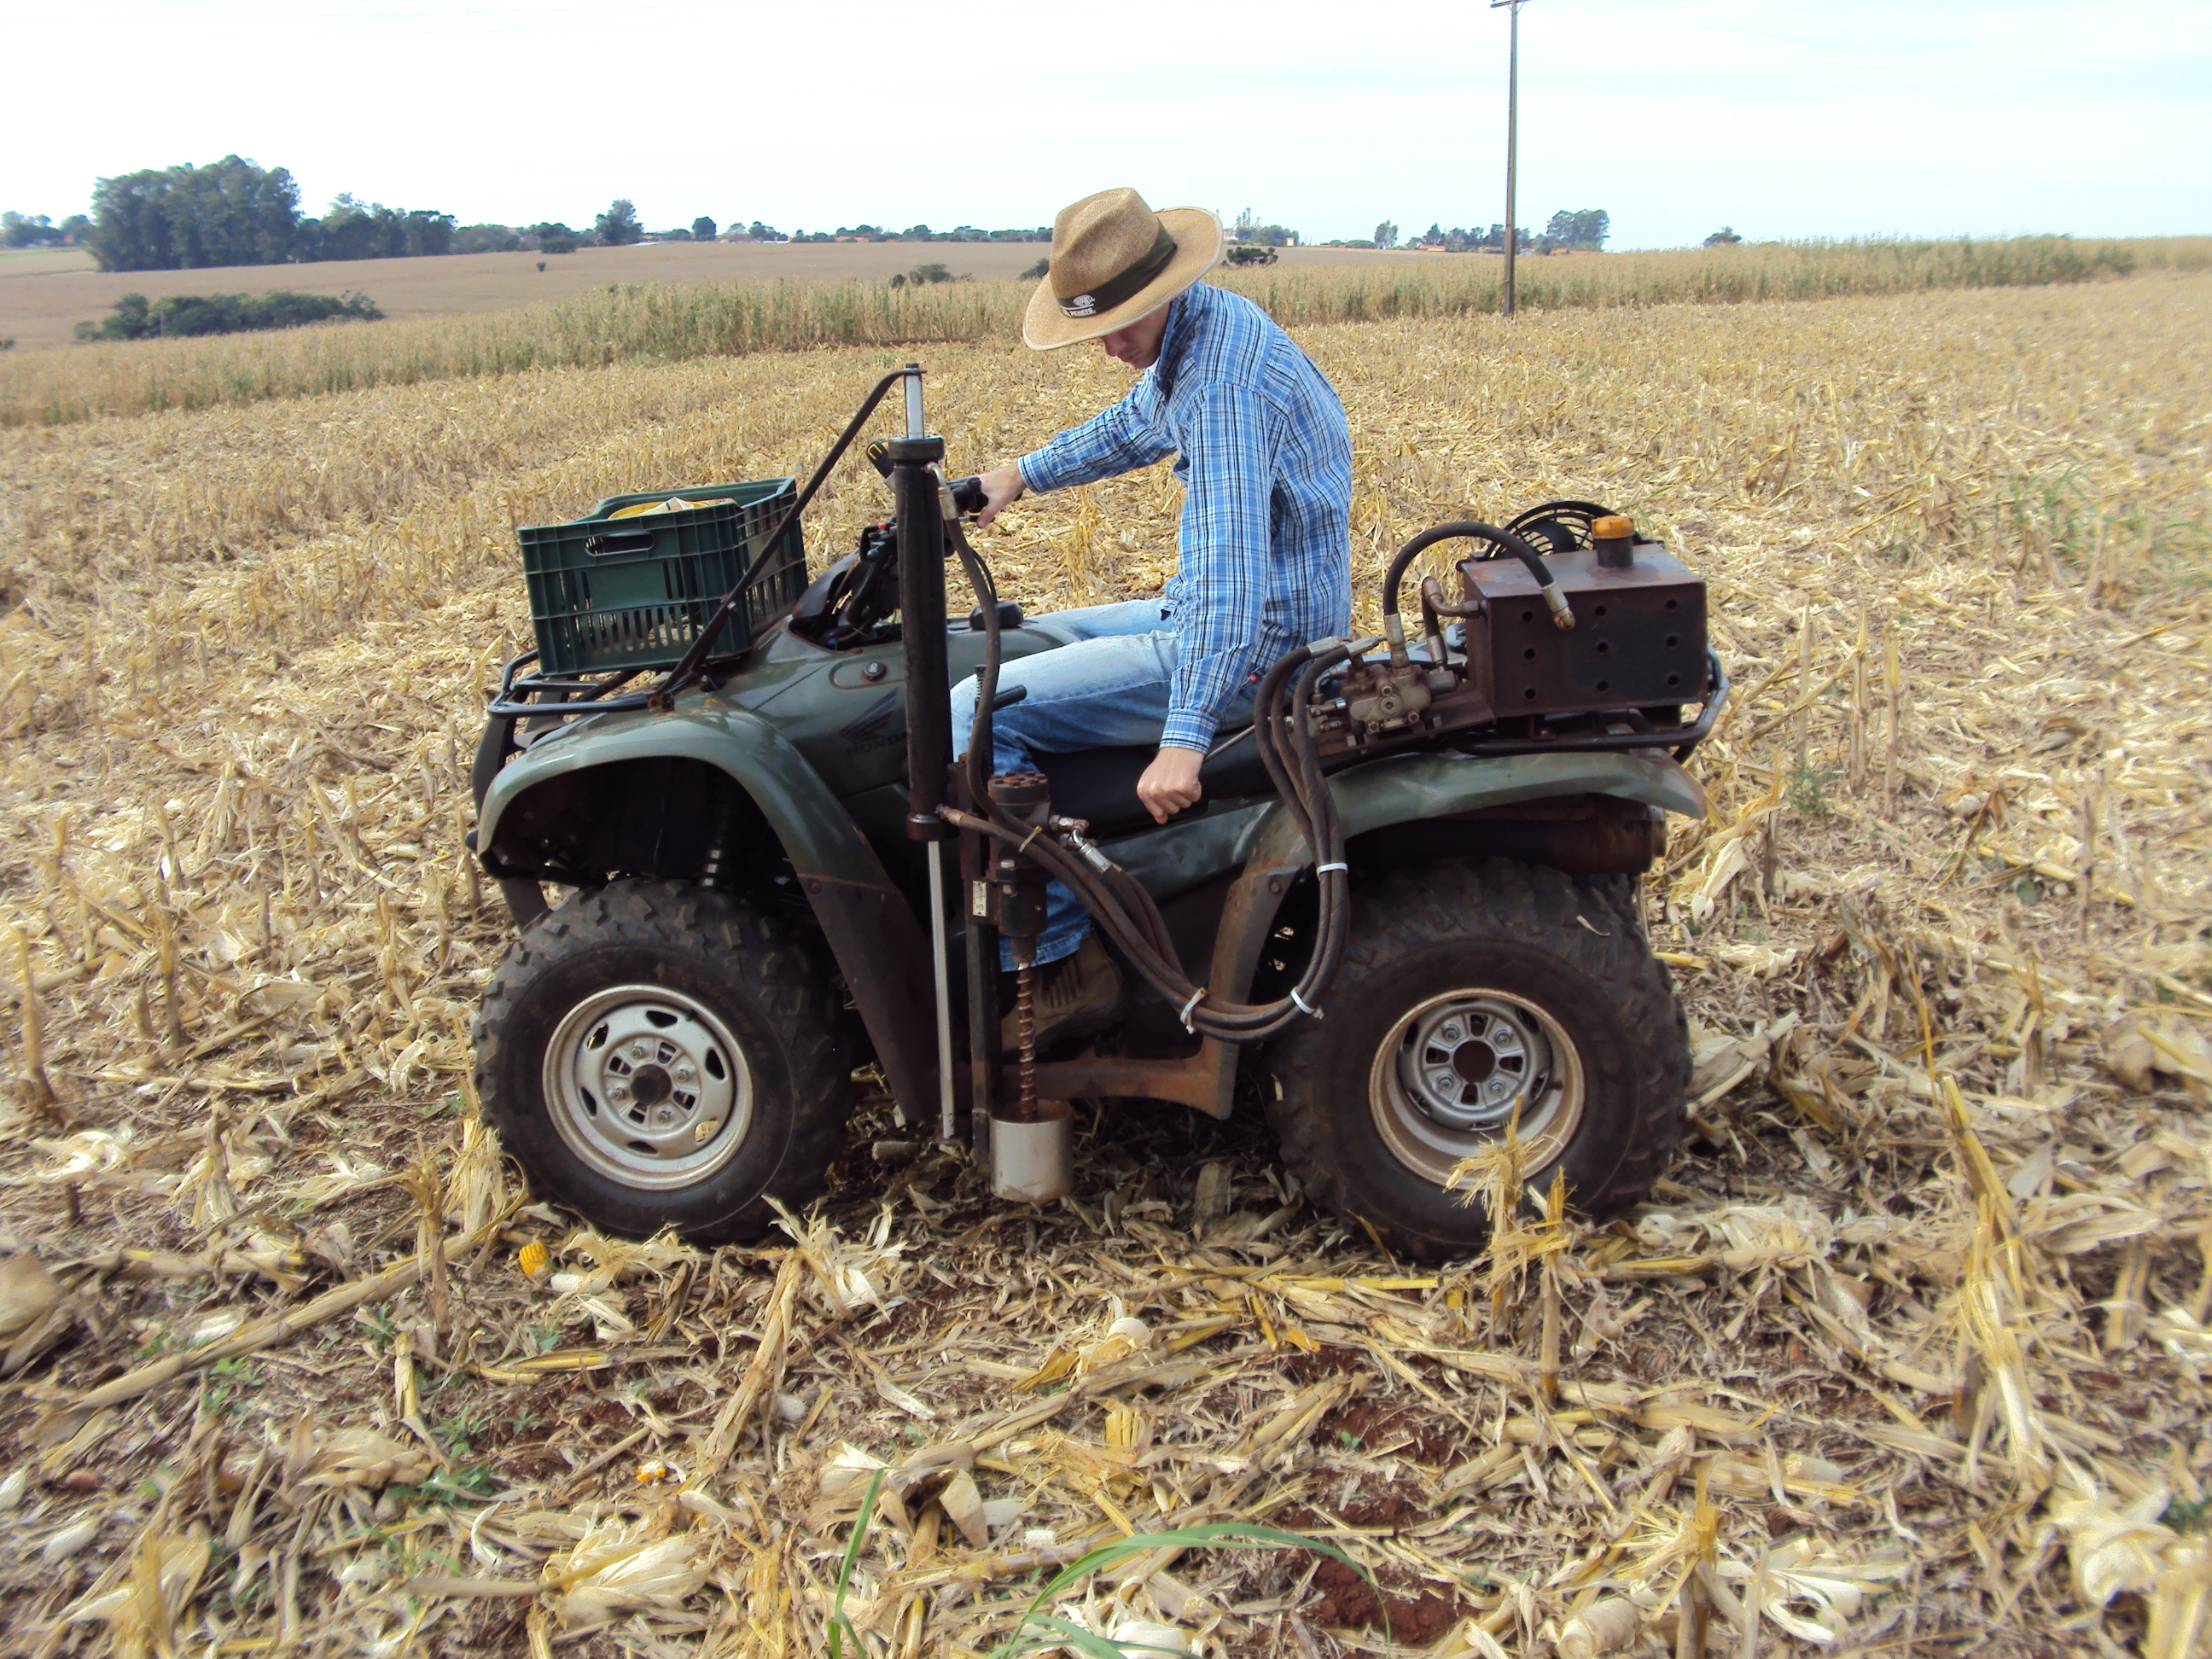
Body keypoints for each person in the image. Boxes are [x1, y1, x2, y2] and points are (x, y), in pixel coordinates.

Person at [951, 186, 1353, 1049]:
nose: (1110, 343)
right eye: (1095, 325)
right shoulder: (1201, 330)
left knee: (972, 712)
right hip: (1219, 610)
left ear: (1163, 285)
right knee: (1020, 648)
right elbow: (1136, 425)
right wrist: (1021, 473)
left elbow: (1232, 580)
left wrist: (1186, 734)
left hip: (1262, 647)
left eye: (1123, 321)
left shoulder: (1222, 385)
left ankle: (1062, 963)